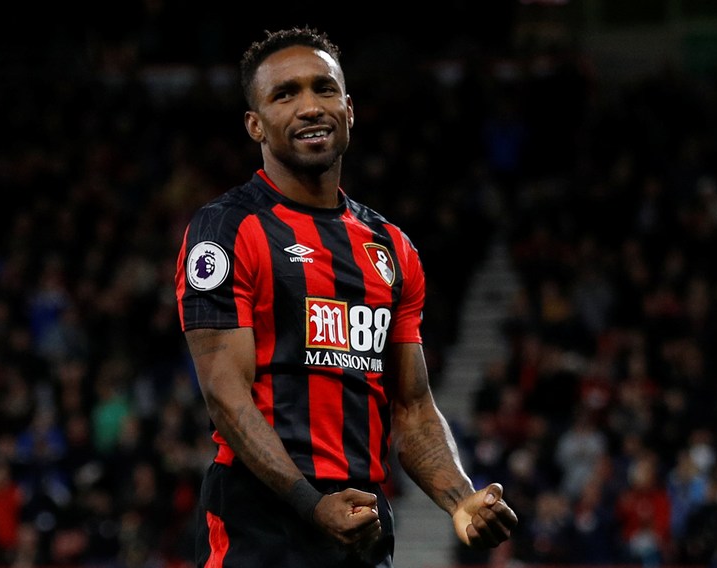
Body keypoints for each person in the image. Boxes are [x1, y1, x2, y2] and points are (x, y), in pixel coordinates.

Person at [174, 26, 518, 568]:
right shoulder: (226, 229)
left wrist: (460, 499)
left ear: (349, 109)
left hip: (359, 525)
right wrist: (312, 505)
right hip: (258, 527)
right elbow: (226, 395)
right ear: (255, 125)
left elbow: (412, 408)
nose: (310, 106)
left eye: (323, 89)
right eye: (285, 95)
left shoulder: (392, 248)